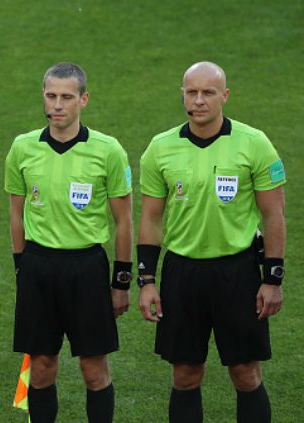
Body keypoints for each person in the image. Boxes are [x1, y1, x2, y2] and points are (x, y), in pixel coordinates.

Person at [137, 61, 286, 423]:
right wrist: (147, 281)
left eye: (208, 92)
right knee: (185, 376)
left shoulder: (254, 143)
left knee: (246, 374)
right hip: (182, 272)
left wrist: (272, 279)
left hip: (239, 272)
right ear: (182, 94)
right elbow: (151, 219)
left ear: (225, 96)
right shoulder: (160, 148)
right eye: (192, 92)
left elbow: (274, 216)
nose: (199, 100)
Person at [4, 62, 133, 423]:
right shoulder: (22, 148)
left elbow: (124, 220)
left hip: (87, 268)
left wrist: (121, 282)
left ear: (83, 99)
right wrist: (21, 266)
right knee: (42, 366)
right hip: (38, 266)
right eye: (51, 96)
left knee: (94, 369)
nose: (57, 105)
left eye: (66, 97)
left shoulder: (108, 151)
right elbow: (16, 213)